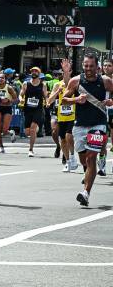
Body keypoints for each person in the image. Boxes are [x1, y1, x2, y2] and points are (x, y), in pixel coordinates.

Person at [60, 53, 113, 207]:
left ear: (97, 67)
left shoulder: (106, 81)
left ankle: (86, 193)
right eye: (85, 65)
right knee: (85, 160)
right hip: (80, 125)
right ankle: (91, 171)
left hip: (98, 124)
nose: (88, 68)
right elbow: (63, 100)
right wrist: (76, 99)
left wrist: (111, 101)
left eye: (91, 66)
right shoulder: (76, 81)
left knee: (90, 158)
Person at [49, 59, 77, 172]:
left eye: (68, 71)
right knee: (63, 140)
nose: (66, 72)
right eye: (64, 71)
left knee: (69, 136)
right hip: (61, 116)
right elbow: (49, 101)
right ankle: (68, 161)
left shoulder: (75, 84)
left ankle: (73, 156)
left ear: (71, 72)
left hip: (73, 115)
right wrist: (57, 92)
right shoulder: (57, 85)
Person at [19, 67, 47, 157]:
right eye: (32, 71)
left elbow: (46, 96)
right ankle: (35, 130)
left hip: (38, 109)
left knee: (33, 128)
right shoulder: (26, 83)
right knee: (27, 132)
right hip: (28, 109)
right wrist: (20, 99)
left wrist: (48, 102)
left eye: (36, 71)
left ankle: (31, 149)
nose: (34, 72)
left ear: (39, 73)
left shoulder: (43, 85)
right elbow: (21, 94)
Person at [0, 71, 17, 152]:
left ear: (5, 79)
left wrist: (9, 101)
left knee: (4, 130)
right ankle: (1, 147)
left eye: (2, 78)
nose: (0, 79)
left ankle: (10, 132)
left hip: (7, 108)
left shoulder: (9, 88)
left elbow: (15, 98)